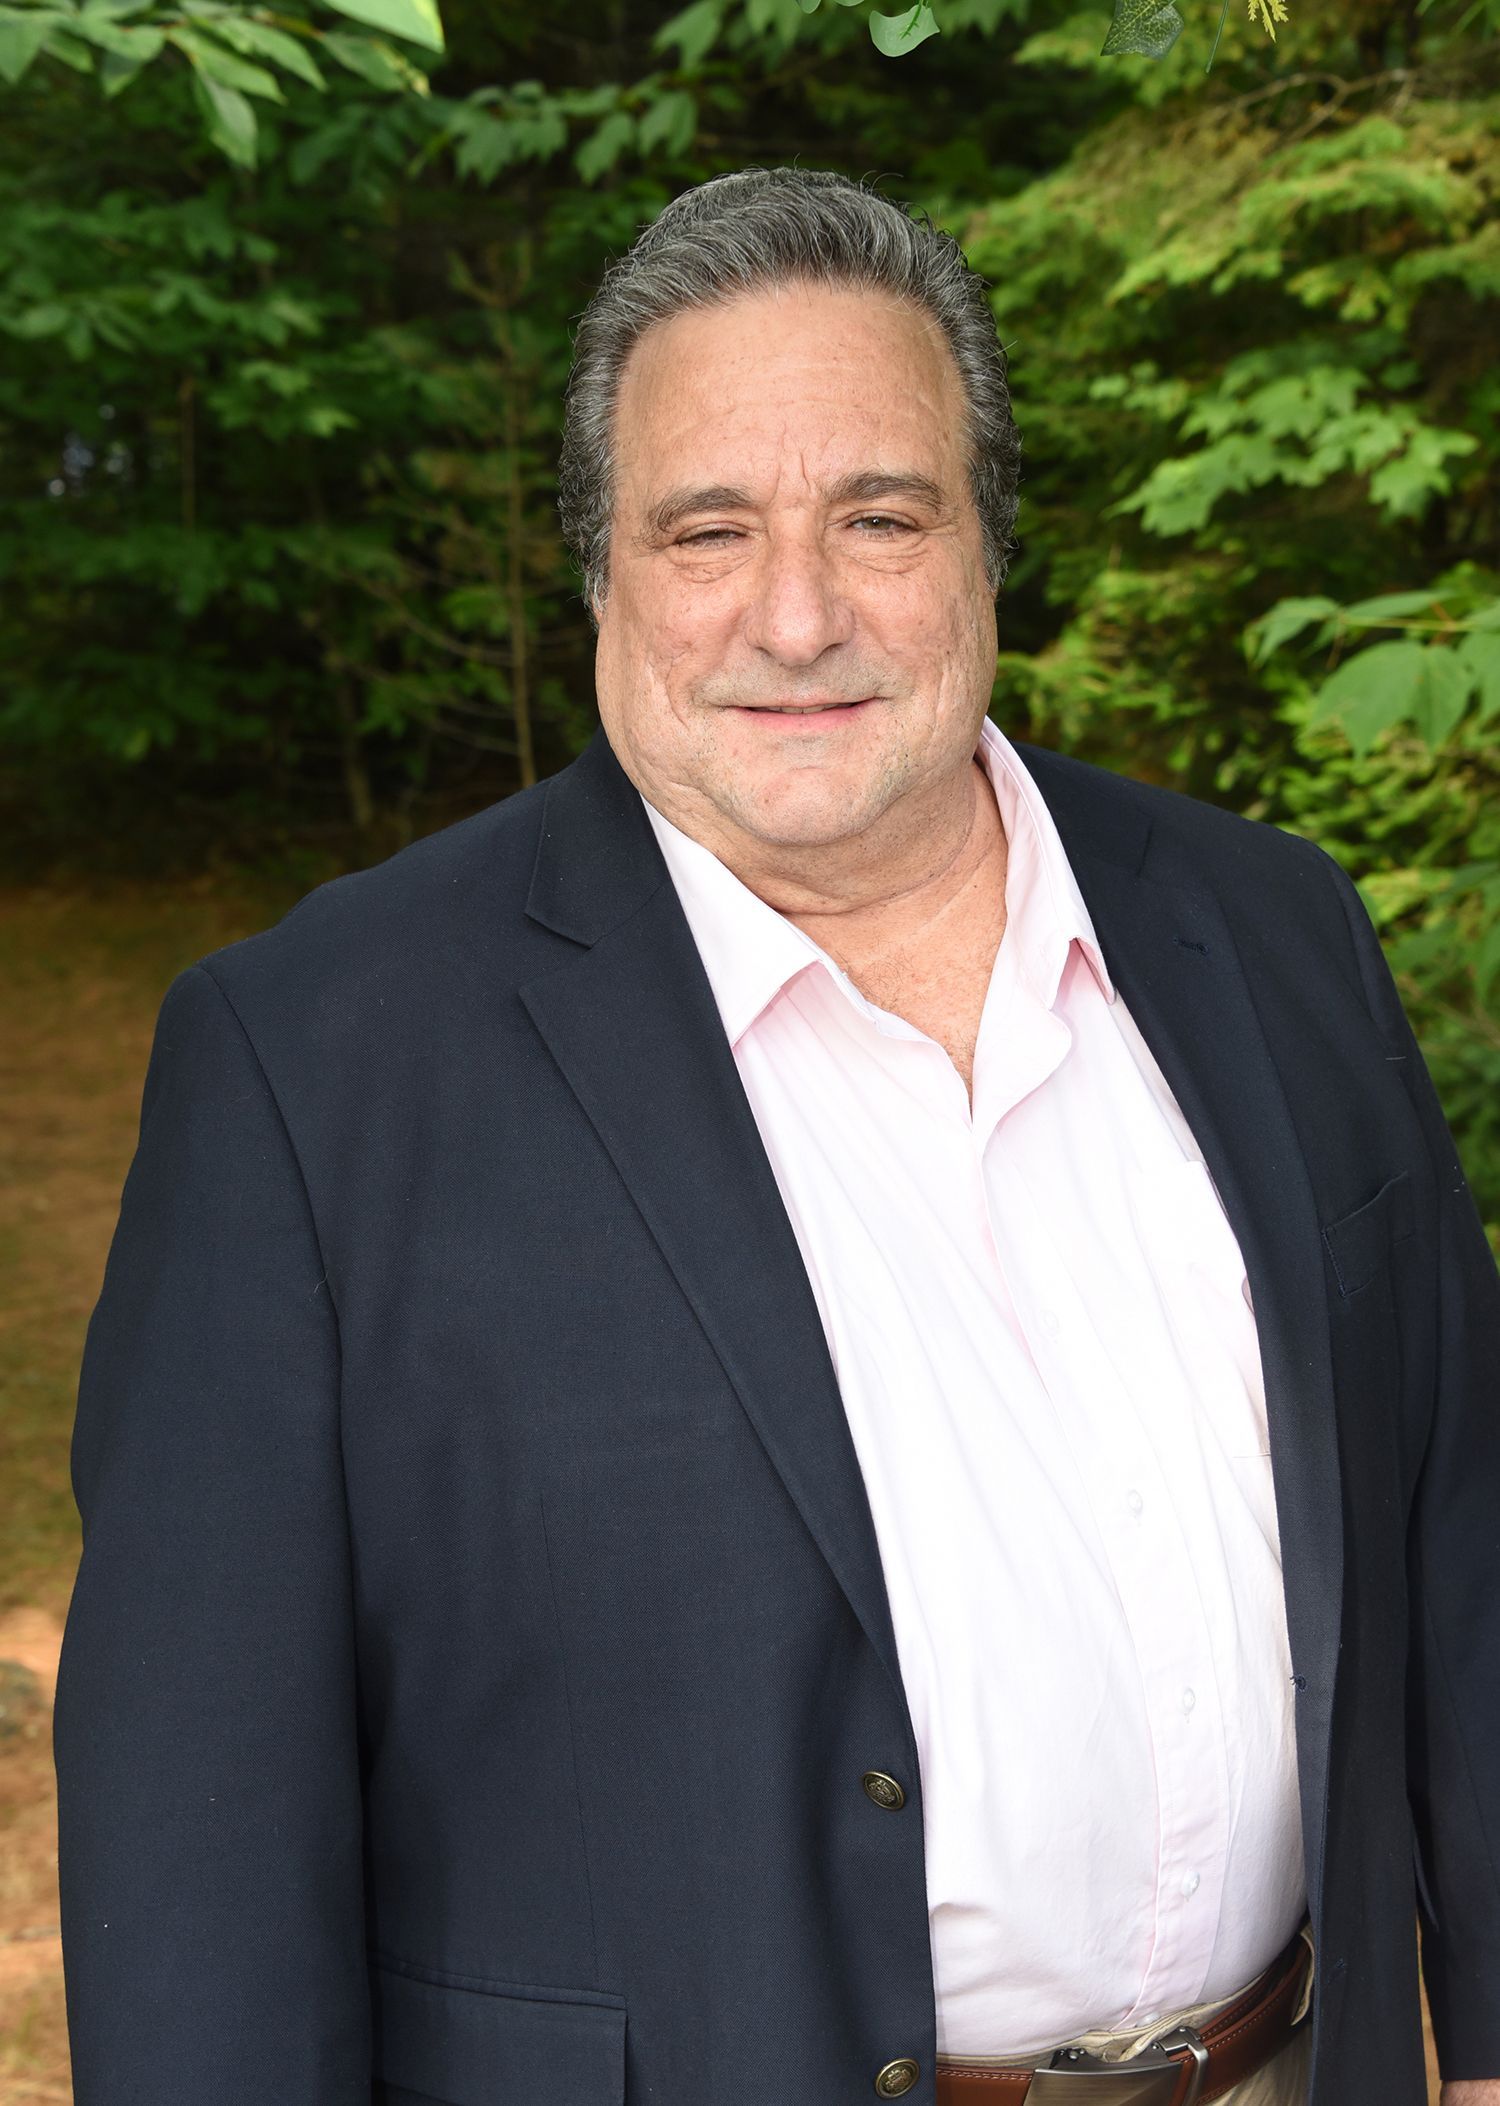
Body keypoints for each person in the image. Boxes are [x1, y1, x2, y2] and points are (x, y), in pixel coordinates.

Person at [53, 166, 1499, 2106]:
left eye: (880, 518)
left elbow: (1460, 1531)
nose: (797, 614)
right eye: (707, 529)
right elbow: (201, 1838)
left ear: (989, 545)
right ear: (603, 576)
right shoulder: (313, 1062)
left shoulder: (1270, 927)